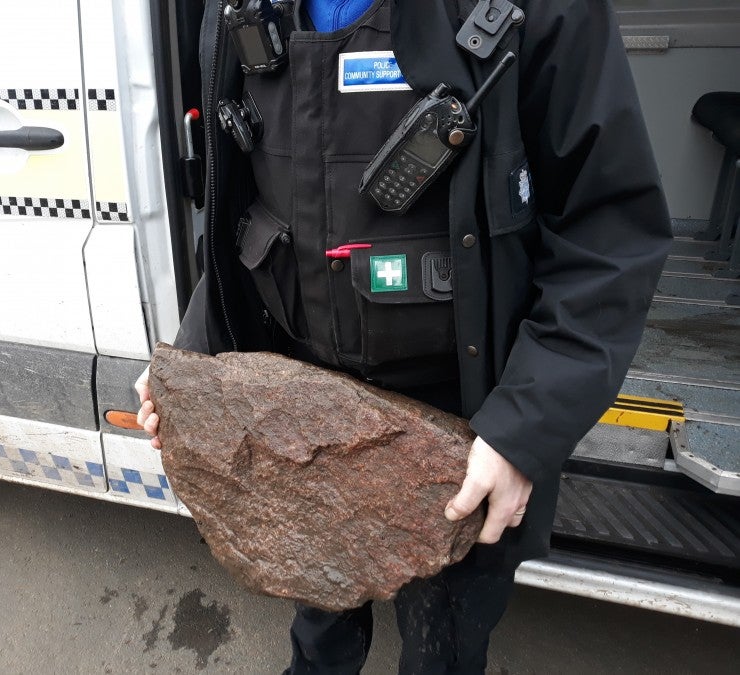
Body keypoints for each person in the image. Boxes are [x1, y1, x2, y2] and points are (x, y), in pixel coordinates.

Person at [137, 0, 672, 672]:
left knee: (441, 650)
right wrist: (192, 356)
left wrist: (522, 430)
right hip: (296, 421)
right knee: (319, 637)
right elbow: (242, 215)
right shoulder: (240, 9)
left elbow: (610, 234)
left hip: (461, 436)